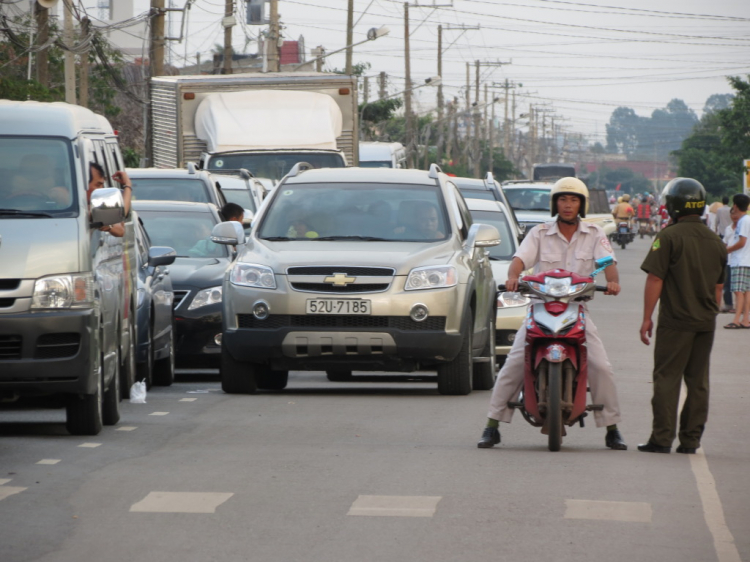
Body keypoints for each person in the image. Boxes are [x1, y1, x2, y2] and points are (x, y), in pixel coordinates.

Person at [477, 177, 627, 451]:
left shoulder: (594, 233)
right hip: (539, 306)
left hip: (577, 308)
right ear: (554, 203)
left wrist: (613, 281)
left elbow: (607, 262)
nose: (567, 205)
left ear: (581, 204)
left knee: (601, 367)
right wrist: (513, 277)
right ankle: (492, 425)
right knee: (512, 364)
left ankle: (612, 428)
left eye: (573, 200)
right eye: (562, 199)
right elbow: (520, 259)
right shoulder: (539, 232)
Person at [638, 178, 727, 454]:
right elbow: (718, 288)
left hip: (676, 321)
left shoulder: (668, 236)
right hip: (705, 322)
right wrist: (708, 314)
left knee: (667, 377)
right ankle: (691, 440)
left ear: (674, 205)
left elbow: (655, 279)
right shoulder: (716, 241)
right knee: (698, 382)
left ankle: (662, 438)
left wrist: (646, 318)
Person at [724, 194, 750, 329]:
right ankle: (745, 319)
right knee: (746, 291)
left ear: (735, 205)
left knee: (739, 292)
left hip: (740, 260)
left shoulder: (743, 221)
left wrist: (728, 250)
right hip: (746, 260)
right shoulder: (747, 219)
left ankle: (737, 320)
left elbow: (742, 242)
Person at [88, 162, 132, 238]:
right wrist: (128, 186)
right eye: (98, 185)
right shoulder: (70, 205)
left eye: (102, 185)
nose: (101, 190)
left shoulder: (95, 208)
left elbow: (120, 227)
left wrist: (109, 226)